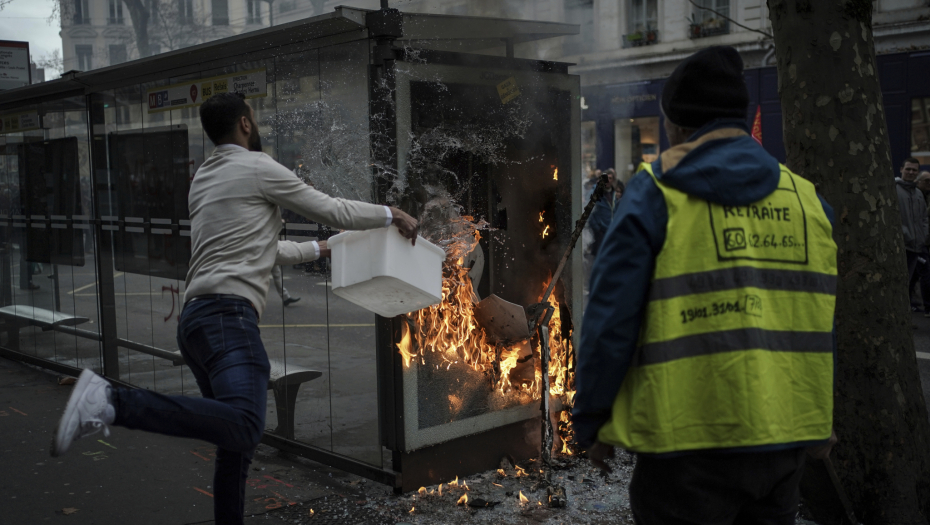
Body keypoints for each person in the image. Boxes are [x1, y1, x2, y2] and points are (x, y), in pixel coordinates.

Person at [49, 92, 418, 525]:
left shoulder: (206, 177)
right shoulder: (257, 167)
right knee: (244, 425)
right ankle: (109, 401)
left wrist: (319, 248)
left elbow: (258, 248)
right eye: (255, 120)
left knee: (235, 446)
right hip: (228, 319)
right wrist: (390, 213)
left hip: (197, 322)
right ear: (245, 123)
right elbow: (331, 208)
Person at [573, 46, 837, 523]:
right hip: (784, 440)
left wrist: (592, 421)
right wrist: (822, 418)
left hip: (685, 449)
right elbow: (816, 316)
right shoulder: (808, 201)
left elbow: (611, 319)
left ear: (676, 125)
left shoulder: (655, 193)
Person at [897, 157, 928, 309]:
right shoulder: (893, 189)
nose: (911, 172)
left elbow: (923, 218)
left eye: (914, 170)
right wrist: (904, 234)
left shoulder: (918, 194)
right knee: (898, 283)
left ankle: (905, 318)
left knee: (908, 283)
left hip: (916, 246)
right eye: (908, 169)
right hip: (901, 245)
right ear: (901, 169)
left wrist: (923, 235)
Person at [587, 168, 624, 258]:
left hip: (611, 231)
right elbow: (589, 213)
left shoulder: (614, 194)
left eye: (610, 178)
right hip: (600, 232)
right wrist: (597, 228)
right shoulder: (595, 192)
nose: (608, 180)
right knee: (600, 258)